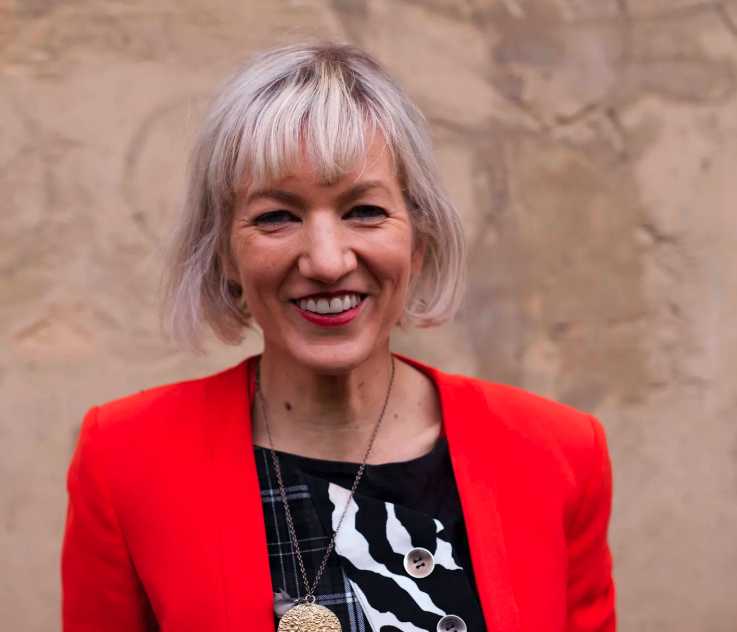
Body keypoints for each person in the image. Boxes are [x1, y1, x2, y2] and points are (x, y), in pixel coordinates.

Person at [61, 42, 615, 632]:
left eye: (365, 211)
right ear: (224, 254)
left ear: (418, 242)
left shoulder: (558, 455)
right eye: (276, 216)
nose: (326, 261)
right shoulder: (125, 462)